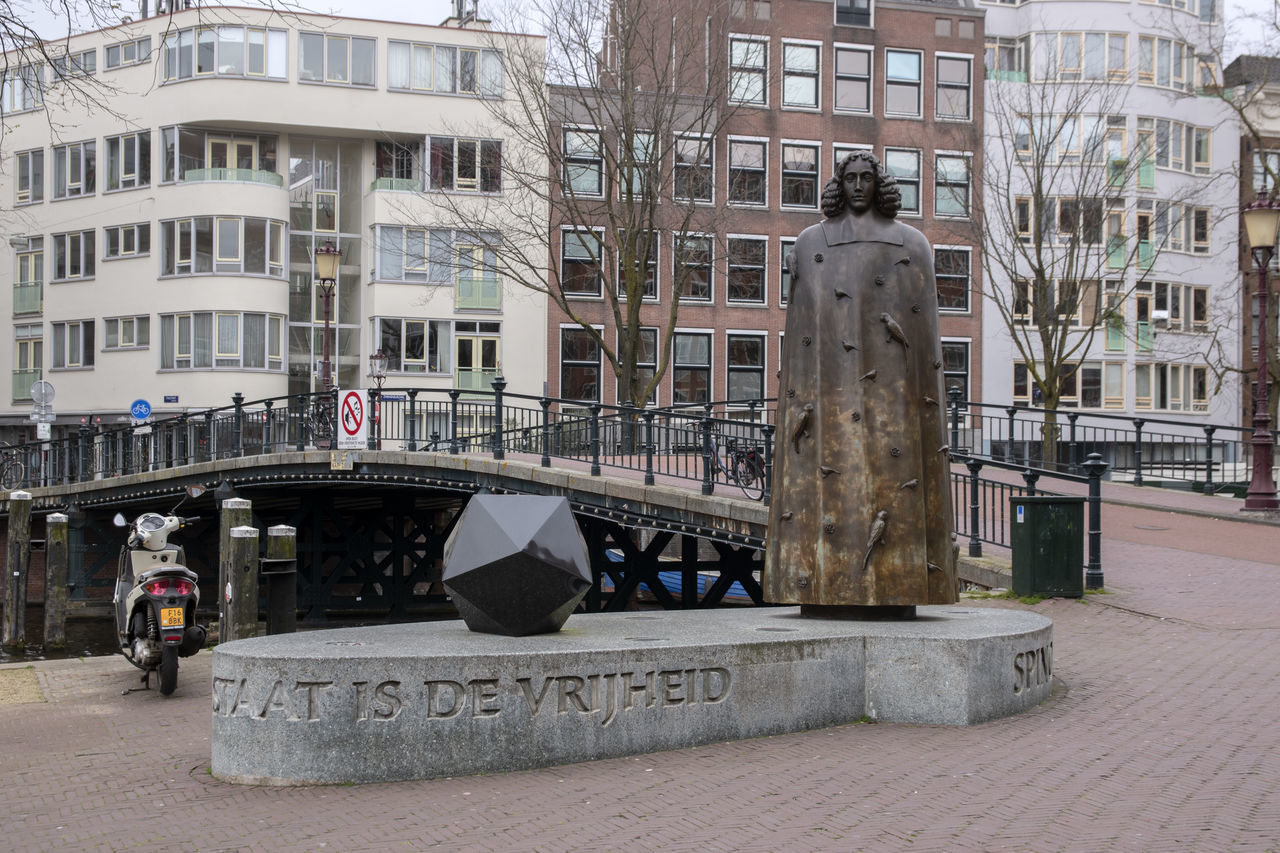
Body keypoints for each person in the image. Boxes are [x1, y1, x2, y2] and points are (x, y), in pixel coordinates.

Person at [764, 151, 958, 614]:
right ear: (839, 183)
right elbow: (802, 334)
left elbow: (924, 338)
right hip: (826, 394)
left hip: (895, 401)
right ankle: (818, 580)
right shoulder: (811, 243)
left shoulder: (913, 244)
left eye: (864, 178)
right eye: (848, 178)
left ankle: (901, 585)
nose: (856, 186)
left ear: (877, 184)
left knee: (892, 482)